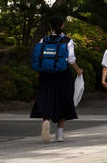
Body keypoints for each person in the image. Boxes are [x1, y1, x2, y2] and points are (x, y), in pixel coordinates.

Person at [29, 15, 83, 143]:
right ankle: (59, 133)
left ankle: (46, 121)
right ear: (63, 25)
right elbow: (71, 59)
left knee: (46, 98)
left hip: (46, 74)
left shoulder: (44, 39)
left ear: (50, 26)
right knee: (63, 100)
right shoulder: (67, 41)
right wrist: (78, 70)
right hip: (62, 74)